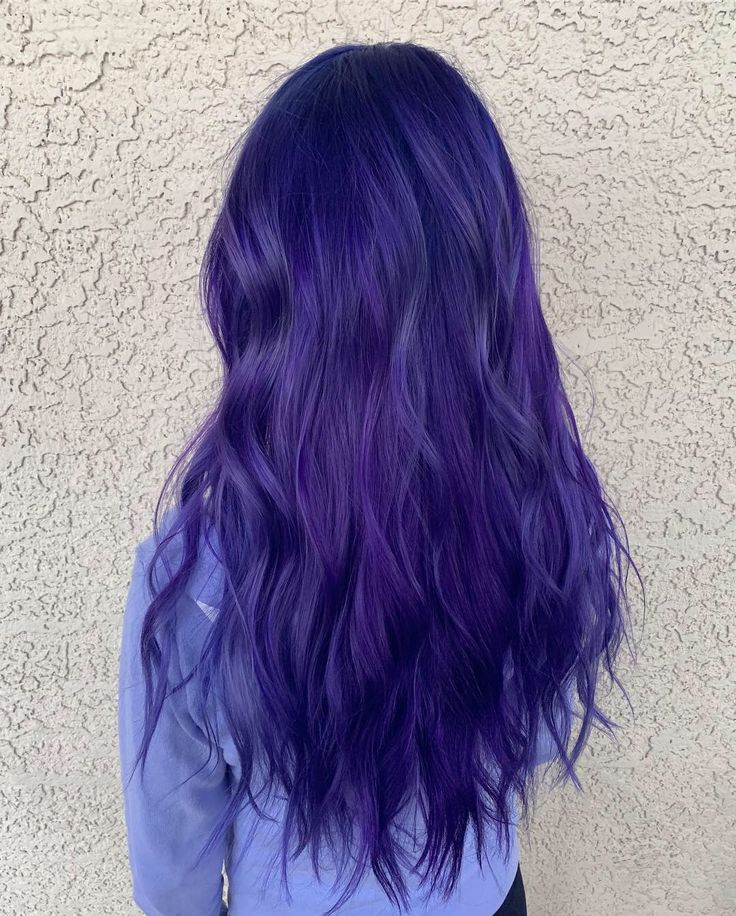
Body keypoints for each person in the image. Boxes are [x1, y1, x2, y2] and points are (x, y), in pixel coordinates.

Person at [117, 41, 640, 916]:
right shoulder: (549, 524)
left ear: (268, 293)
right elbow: (537, 743)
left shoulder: (197, 582)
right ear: (491, 282)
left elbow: (168, 874)